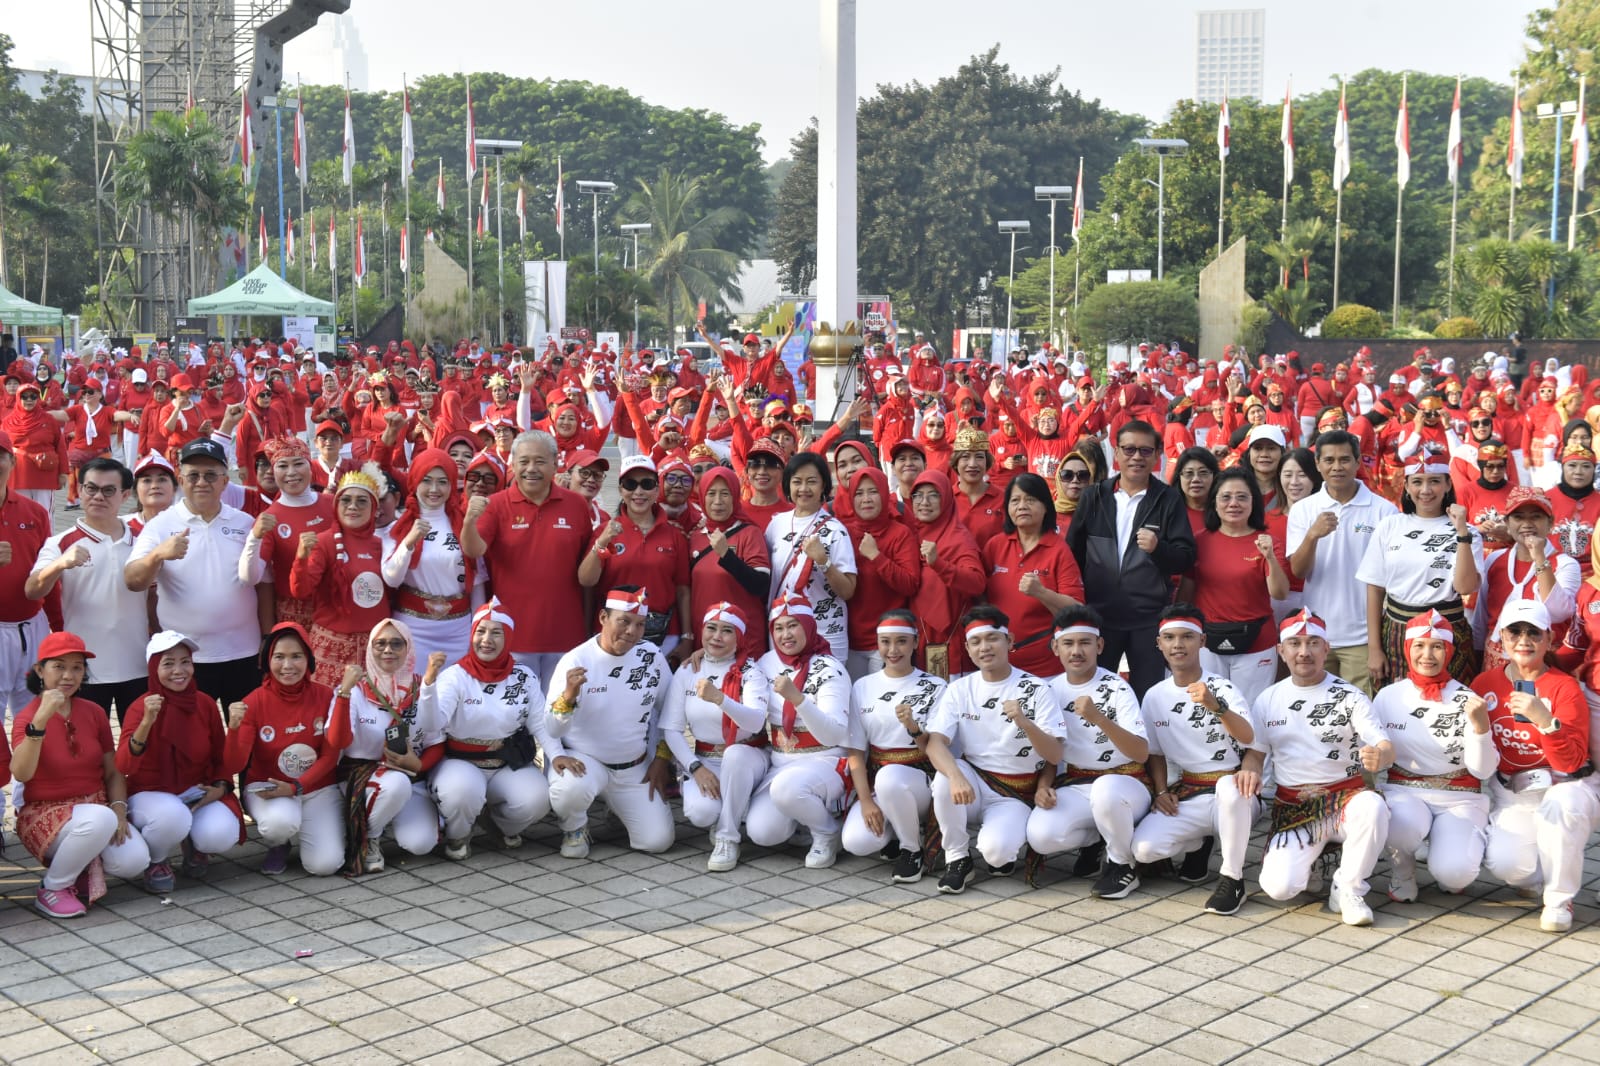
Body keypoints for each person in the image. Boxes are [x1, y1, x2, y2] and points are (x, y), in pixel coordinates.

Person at [1239, 609, 1393, 927]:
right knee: (1279, 889)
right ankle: (1314, 865)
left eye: (1313, 643)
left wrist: (1381, 756)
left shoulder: (1350, 696)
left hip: (1344, 800)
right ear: (1281, 651)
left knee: (1373, 806)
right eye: (1294, 643)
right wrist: (1249, 769)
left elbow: (1383, 744)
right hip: (1295, 807)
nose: (1304, 652)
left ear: (1327, 649)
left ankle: (1349, 889)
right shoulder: (1268, 699)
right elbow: (1256, 753)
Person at [1471, 599, 1597, 933]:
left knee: (1563, 804)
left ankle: (1558, 899)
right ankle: (1555, 858)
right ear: (1501, 637)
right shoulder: (1485, 684)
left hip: (1564, 786)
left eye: (1533, 633)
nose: (1523, 640)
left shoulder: (1564, 687)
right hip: (1515, 792)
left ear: (1548, 640)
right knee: (1508, 865)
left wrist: (1545, 721)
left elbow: (1571, 761)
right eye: (1515, 631)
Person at [923, 605, 1066, 893]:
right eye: (976, 642)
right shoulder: (959, 689)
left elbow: (1054, 755)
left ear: (1010, 641)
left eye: (993, 639)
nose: (984, 647)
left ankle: (1000, 843)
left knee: (997, 853)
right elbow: (935, 743)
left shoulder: (1037, 688)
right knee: (943, 779)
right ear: (967, 648)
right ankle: (957, 858)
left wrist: (1026, 723)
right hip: (974, 781)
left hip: (1014, 792)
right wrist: (956, 775)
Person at [9, 633, 151, 918]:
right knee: (99, 820)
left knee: (134, 860)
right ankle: (53, 887)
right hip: (45, 813)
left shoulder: (94, 712)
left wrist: (119, 810)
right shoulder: (28, 717)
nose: (68, 675)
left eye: (77, 667)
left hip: (96, 810)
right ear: (40, 670)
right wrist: (41, 722)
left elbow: (112, 772)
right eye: (58, 666)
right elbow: (22, 773)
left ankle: (82, 867)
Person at [1130, 605, 1258, 916]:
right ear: (1159, 643)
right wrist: (1161, 792)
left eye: (1187, 637)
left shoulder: (1222, 687)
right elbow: (1155, 753)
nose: (1178, 645)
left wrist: (1217, 706)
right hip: (1190, 790)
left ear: (1202, 641)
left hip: (1233, 790)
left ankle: (1232, 878)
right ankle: (1199, 843)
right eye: (1170, 638)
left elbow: (1248, 737)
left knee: (1230, 787)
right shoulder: (1155, 695)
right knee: (1145, 850)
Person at [1026, 605, 1151, 899]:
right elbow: (1051, 748)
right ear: (1055, 647)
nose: (1076, 651)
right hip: (1077, 782)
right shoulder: (1049, 690)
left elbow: (1141, 752)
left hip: (1125, 782)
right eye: (1068, 643)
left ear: (1100, 645)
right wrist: (1043, 786)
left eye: (1085, 642)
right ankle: (1100, 839)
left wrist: (1099, 719)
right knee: (1041, 836)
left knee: (1106, 790)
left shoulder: (1117, 687)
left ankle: (1123, 865)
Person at [127, 439, 263, 709]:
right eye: (193, 475)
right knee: (195, 742)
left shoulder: (245, 522)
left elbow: (263, 584)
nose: (202, 482)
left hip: (244, 652)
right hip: (186, 659)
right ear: (181, 479)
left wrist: (267, 636)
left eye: (211, 475)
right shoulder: (160, 525)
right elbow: (132, 580)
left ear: (225, 482)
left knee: (245, 737)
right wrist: (158, 555)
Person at [1066, 420, 1198, 697]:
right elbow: (1073, 555)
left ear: (1157, 456)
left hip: (1147, 619)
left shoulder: (1168, 499)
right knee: (1094, 694)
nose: (1137, 457)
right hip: (1099, 616)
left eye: (1145, 451)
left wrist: (1158, 548)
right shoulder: (1094, 496)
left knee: (1147, 696)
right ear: (1116, 454)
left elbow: (1186, 558)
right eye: (1129, 449)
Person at [1372, 610, 1496, 901]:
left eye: (1437, 646)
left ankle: (1450, 852)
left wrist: (1481, 728)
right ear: (1407, 649)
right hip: (1405, 790)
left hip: (1460, 795)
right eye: (1420, 645)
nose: (1428, 655)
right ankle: (1402, 872)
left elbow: (1483, 771)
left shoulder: (1468, 698)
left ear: (1449, 651)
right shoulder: (1388, 697)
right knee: (1400, 826)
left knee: (1455, 874)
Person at [545, 587, 674, 859]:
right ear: (603, 617)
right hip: (585, 761)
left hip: (633, 765)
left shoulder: (651, 655)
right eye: (623, 621)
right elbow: (551, 728)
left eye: (639, 625)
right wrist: (568, 697)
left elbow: (671, 711)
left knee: (658, 841)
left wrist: (662, 759)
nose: (631, 632)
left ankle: (616, 808)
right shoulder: (576, 659)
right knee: (569, 790)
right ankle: (575, 827)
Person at [462, 430, 594, 685]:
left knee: (558, 713)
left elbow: (586, 569)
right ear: (513, 464)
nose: (531, 469)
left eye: (539, 461)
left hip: (565, 634)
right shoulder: (496, 504)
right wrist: (469, 522)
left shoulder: (576, 504)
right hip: (512, 634)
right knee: (515, 714)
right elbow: (474, 550)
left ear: (555, 464)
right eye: (523, 462)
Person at [115, 632, 243, 891]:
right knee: (171, 816)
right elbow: (124, 766)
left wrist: (220, 787)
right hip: (150, 794)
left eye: (185, 661)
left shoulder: (204, 703)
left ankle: (194, 845)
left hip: (195, 790)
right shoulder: (141, 707)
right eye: (168, 663)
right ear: (153, 668)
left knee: (220, 833)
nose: (179, 670)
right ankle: (157, 860)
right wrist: (147, 723)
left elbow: (220, 757)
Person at [428, 603, 555, 861]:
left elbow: (540, 723)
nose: (486, 640)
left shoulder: (523, 676)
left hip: (506, 761)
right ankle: (458, 834)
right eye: (480, 632)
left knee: (537, 799)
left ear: (508, 638)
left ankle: (495, 824)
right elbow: (433, 723)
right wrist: (429, 686)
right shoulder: (455, 677)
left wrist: (559, 755)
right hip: (459, 762)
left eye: (496, 633)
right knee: (462, 792)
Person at [27, 459, 146, 722]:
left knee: (138, 753)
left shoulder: (143, 540)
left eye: (108, 490)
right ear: (79, 490)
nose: (97, 497)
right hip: (84, 670)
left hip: (139, 666)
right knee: (89, 752)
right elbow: (32, 590)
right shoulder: (61, 542)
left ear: (125, 495)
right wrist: (59, 564)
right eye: (90, 488)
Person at [222, 624, 344, 876]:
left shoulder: (325, 696)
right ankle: (280, 843)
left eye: (296, 656)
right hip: (269, 790)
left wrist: (296, 787)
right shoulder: (253, 702)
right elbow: (234, 766)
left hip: (317, 788)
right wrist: (233, 730)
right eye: (279, 657)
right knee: (280, 824)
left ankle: (324, 829)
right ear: (268, 661)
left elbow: (331, 756)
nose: (287, 665)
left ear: (308, 660)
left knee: (324, 866)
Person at [324, 618, 444, 874]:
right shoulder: (354, 689)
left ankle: (382, 818)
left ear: (409, 647)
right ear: (370, 648)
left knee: (420, 843)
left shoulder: (423, 687)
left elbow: (436, 740)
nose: (388, 650)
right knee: (395, 785)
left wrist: (421, 764)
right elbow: (338, 741)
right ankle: (371, 837)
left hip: (410, 777)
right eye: (380, 644)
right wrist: (344, 692)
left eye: (396, 644)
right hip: (360, 776)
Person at [659, 602, 771, 872]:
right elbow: (671, 729)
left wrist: (720, 699)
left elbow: (756, 721)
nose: (716, 637)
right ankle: (735, 807)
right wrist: (695, 768)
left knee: (735, 755)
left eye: (727, 631)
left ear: (739, 637)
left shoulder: (751, 672)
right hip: (706, 758)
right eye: (711, 628)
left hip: (748, 755)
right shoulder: (688, 671)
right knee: (700, 813)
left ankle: (727, 836)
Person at [1285, 430, 1400, 695]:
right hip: (1316, 635)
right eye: (1329, 460)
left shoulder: (1384, 511)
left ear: (1358, 462)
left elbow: (1387, 580)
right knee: (1321, 715)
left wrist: (1375, 646)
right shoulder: (1304, 509)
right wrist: (1313, 535)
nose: (1337, 467)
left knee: (1362, 719)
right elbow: (1299, 571)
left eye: (1345, 459)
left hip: (1363, 640)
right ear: (1318, 464)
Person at [745, 593, 854, 868]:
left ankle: (827, 831)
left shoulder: (829, 667)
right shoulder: (766, 663)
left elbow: (833, 734)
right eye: (779, 628)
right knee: (762, 832)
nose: (786, 634)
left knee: (788, 789)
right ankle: (805, 819)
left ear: (808, 625)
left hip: (826, 759)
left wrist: (799, 699)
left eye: (793, 625)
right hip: (782, 762)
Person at [1356, 450, 1482, 687]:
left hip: (1448, 630)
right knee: (1397, 709)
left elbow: (1465, 586)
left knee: (1448, 706)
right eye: (1417, 482)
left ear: (1447, 485)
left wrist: (1462, 534)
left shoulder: (1469, 531)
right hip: (1397, 630)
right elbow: (1374, 589)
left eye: (1434, 481)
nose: (1425, 490)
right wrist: (1374, 648)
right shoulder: (1390, 526)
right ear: (1406, 486)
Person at [841, 611, 946, 882]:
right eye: (885, 642)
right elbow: (855, 751)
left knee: (890, 778)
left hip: (923, 778)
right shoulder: (862, 686)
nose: (892, 649)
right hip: (878, 780)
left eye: (901, 641)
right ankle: (896, 833)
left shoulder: (936, 686)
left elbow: (937, 748)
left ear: (915, 643)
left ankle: (912, 849)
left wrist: (913, 727)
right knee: (856, 842)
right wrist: (865, 801)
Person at [1182, 468, 1289, 704]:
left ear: (1254, 502)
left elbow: (1280, 593)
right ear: (1214, 502)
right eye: (1226, 497)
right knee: (1208, 710)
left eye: (1242, 497)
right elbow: (1185, 594)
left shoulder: (1268, 542)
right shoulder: (1198, 541)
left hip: (1257, 643)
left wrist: (1269, 556)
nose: (1234, 504)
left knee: (1251, 711)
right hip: (1207, 642)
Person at [290, 464, 397, 686]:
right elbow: (301, 590)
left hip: (375, 648)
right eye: (346, 500)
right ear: (336, 505)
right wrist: (301, 558)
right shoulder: (324, 542)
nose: (353, 507)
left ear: (374, 508)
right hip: (332, 649)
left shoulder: (382, 545)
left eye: (362, 501)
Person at [579, 455, 694, 662]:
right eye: (631, 484)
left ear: (657, 490)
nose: (638, 492)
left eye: (647, 484)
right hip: (614, 635)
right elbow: (587, 581)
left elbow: (683, 590)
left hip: (664, 634)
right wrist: (602, 543)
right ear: (621, 490)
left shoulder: (675, 535)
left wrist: (686, 637)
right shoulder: (605, 531)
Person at [382, 449, 486, 664]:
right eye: (426, 481)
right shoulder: (399, 527)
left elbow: (476, 581)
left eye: (442, 482)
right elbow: (391, 578)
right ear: (414, 481)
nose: (434, 489)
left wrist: (477, 629)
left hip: (458, 629)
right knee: (414, 694)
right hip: (413, 628)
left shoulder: (462, 523)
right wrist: (409, 542)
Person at [982, 473, 1084, 679]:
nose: (1022, 506)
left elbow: (1077, 611)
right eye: (1015, 500)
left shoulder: (1058, 549)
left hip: (1046, 668)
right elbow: (980, 595)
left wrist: (1042, 593)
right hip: (999, 665)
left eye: (1030, 500)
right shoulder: (995, 545)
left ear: (1046, 506)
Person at [765, 452, 858, 660]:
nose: (804, 489)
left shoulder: (836, 531)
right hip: (783, 632)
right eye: (797, 482)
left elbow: (847, 590)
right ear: (788, 484)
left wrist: (824, 562)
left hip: (824, 633)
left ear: (824, 486)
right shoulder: (776, 524)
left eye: (812, 482)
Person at [239, 437, 337, 629]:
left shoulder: (333, 504)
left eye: (298, 464)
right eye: (282, 466)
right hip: (295, 612)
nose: (291, 473)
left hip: (338, 604)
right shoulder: (269, 518)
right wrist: (254, 538)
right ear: (274, 471)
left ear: (311, 466)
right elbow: (248, 578)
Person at [1480, 487, 1580, 671]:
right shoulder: (1495, 560)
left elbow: (1558, 612)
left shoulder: (1565, 564)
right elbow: (1482, 615)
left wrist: (1540, 558)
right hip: (1496, 662)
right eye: (1518, 517)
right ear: (1507, 524)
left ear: (1550, 523)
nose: (1527, 524)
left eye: (1536, 517)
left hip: (1544, 663)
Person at [834, 467, 920, 679]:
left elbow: (910, 583)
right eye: (859, 493)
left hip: (886, 641)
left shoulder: (900, 534)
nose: (866, 499)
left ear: (883, 493)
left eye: (872, 492)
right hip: (850, 640)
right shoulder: (843, 531)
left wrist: (877, 556)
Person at [906, 470, 985, 678]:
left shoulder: (959, 538)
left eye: (933, 495)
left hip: (953, 641)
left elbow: (977, 583)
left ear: (947, 499)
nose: (924, 502)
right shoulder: (907, 534)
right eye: (918, 495)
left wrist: (939, 564)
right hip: (916, 640)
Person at [688, 467, 771, 662]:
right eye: (711, 493)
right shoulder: (695, 536)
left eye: (725, 494)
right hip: (705, 640)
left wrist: (727, 555)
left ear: (735, 496)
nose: (718, 501)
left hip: (743, 641)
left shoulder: (749, 533)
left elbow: (760, 585)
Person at [3, 378, 68, 510]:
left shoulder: (49, 420)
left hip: (44, 475)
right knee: (19, 513)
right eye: (24, 396)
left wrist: (63, 473)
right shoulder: (7, 422)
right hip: (17, 475)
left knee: (44, 513)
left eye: (33, 396)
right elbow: (2, 450)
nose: (29, 400)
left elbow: (60, 447)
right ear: (18, 398)